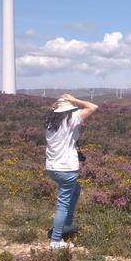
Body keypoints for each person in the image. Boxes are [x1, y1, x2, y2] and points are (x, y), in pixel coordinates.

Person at [44, 94, 98, 249]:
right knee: (63, 203)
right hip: (67, 168)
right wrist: (74, 100)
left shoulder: (50, 121)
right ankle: (56, 241)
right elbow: (93, 107)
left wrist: (60, 103)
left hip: (52, 168)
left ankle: (66, 226)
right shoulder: (71, 119)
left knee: (76, 190)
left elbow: (54, 111)